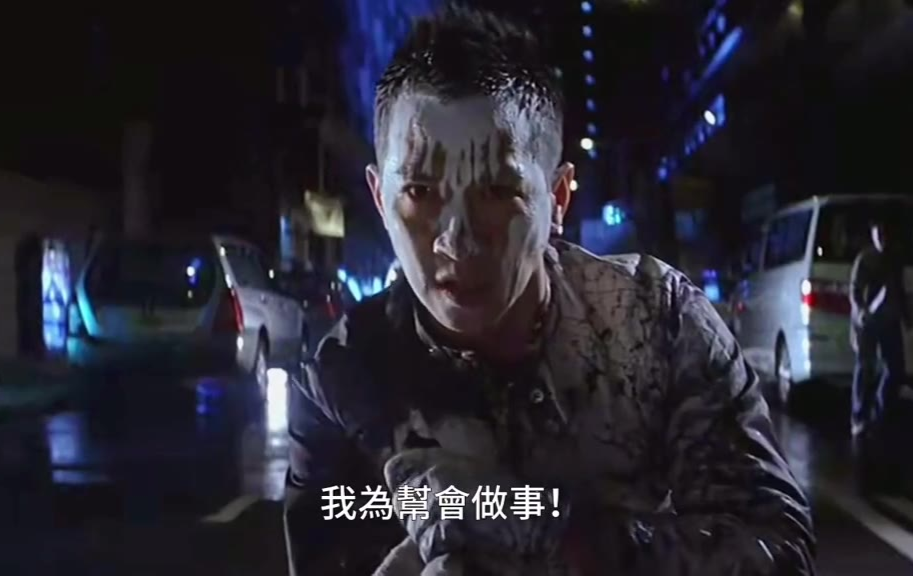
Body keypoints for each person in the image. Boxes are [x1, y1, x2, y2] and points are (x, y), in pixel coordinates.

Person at [284, 5, 815, 575]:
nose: (456, 240)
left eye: (496, 191)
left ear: (557, 198)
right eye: (420, 191)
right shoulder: (341, 381)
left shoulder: (657, 324)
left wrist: (553, 533)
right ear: (379, 197)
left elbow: (778, 548)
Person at [849, 216, 911, 490]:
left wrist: (906, 316)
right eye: (878, 235)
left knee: (895, 368)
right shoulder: (866, 259)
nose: (883, 240)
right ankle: (859, 416)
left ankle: (879, 411)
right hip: (868, 321)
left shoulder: (894, 259)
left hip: (889, 320)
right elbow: (854, 290)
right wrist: (861, 310)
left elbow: (898, 289)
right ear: (873, 236)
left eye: (886, 235)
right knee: (865, 366)